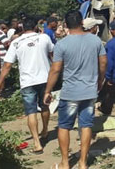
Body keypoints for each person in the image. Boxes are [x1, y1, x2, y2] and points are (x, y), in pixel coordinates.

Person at [44, 10, 107, 169]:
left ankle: (65, 162)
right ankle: (83, 162)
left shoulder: (62, 44)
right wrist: (100, 81)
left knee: (64, 126)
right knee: (86, 126)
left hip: (70, 92)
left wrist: (47, 91)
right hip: (89, 91)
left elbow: (56, 70)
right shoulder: (95, 41)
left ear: (66, 25)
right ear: (82, 23)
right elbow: (103, 63)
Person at [0, 17, 53, 154]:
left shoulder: (16, 43)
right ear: (36, 27)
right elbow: (53, 55)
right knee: (45, 106)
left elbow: (7, 65)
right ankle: (44, 130)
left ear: (21, 29)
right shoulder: (44, 38)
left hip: (27, 82)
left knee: (31, 112)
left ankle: (37, 143)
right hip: (44, 78)